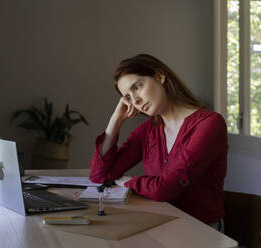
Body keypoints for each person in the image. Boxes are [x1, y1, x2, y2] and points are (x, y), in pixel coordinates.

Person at [89, 54, 227, 232]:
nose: (135, 100)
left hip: (201, 230)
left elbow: (165, 189)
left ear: (160, 76)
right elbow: (99, 176)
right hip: (159, 224)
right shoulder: (149, 129)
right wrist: (116, 120)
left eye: (137, 87)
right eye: (128, 97)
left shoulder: (209, 124)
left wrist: (130, 182)